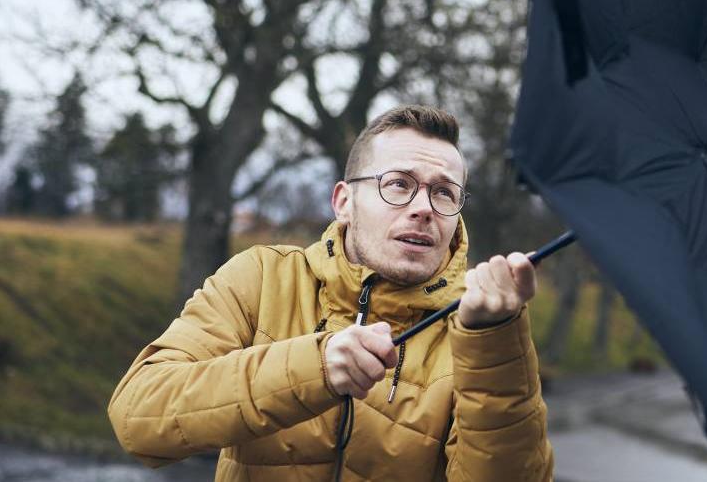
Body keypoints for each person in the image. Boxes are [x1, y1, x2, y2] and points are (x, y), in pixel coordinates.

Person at [108, 105, 554, 481]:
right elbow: (140, 418)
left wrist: (495, 347)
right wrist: (315, 367)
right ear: (344, 202)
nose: (424, 208)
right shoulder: (263, 278)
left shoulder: (479, 331)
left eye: (444, 193)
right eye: (398, 184)